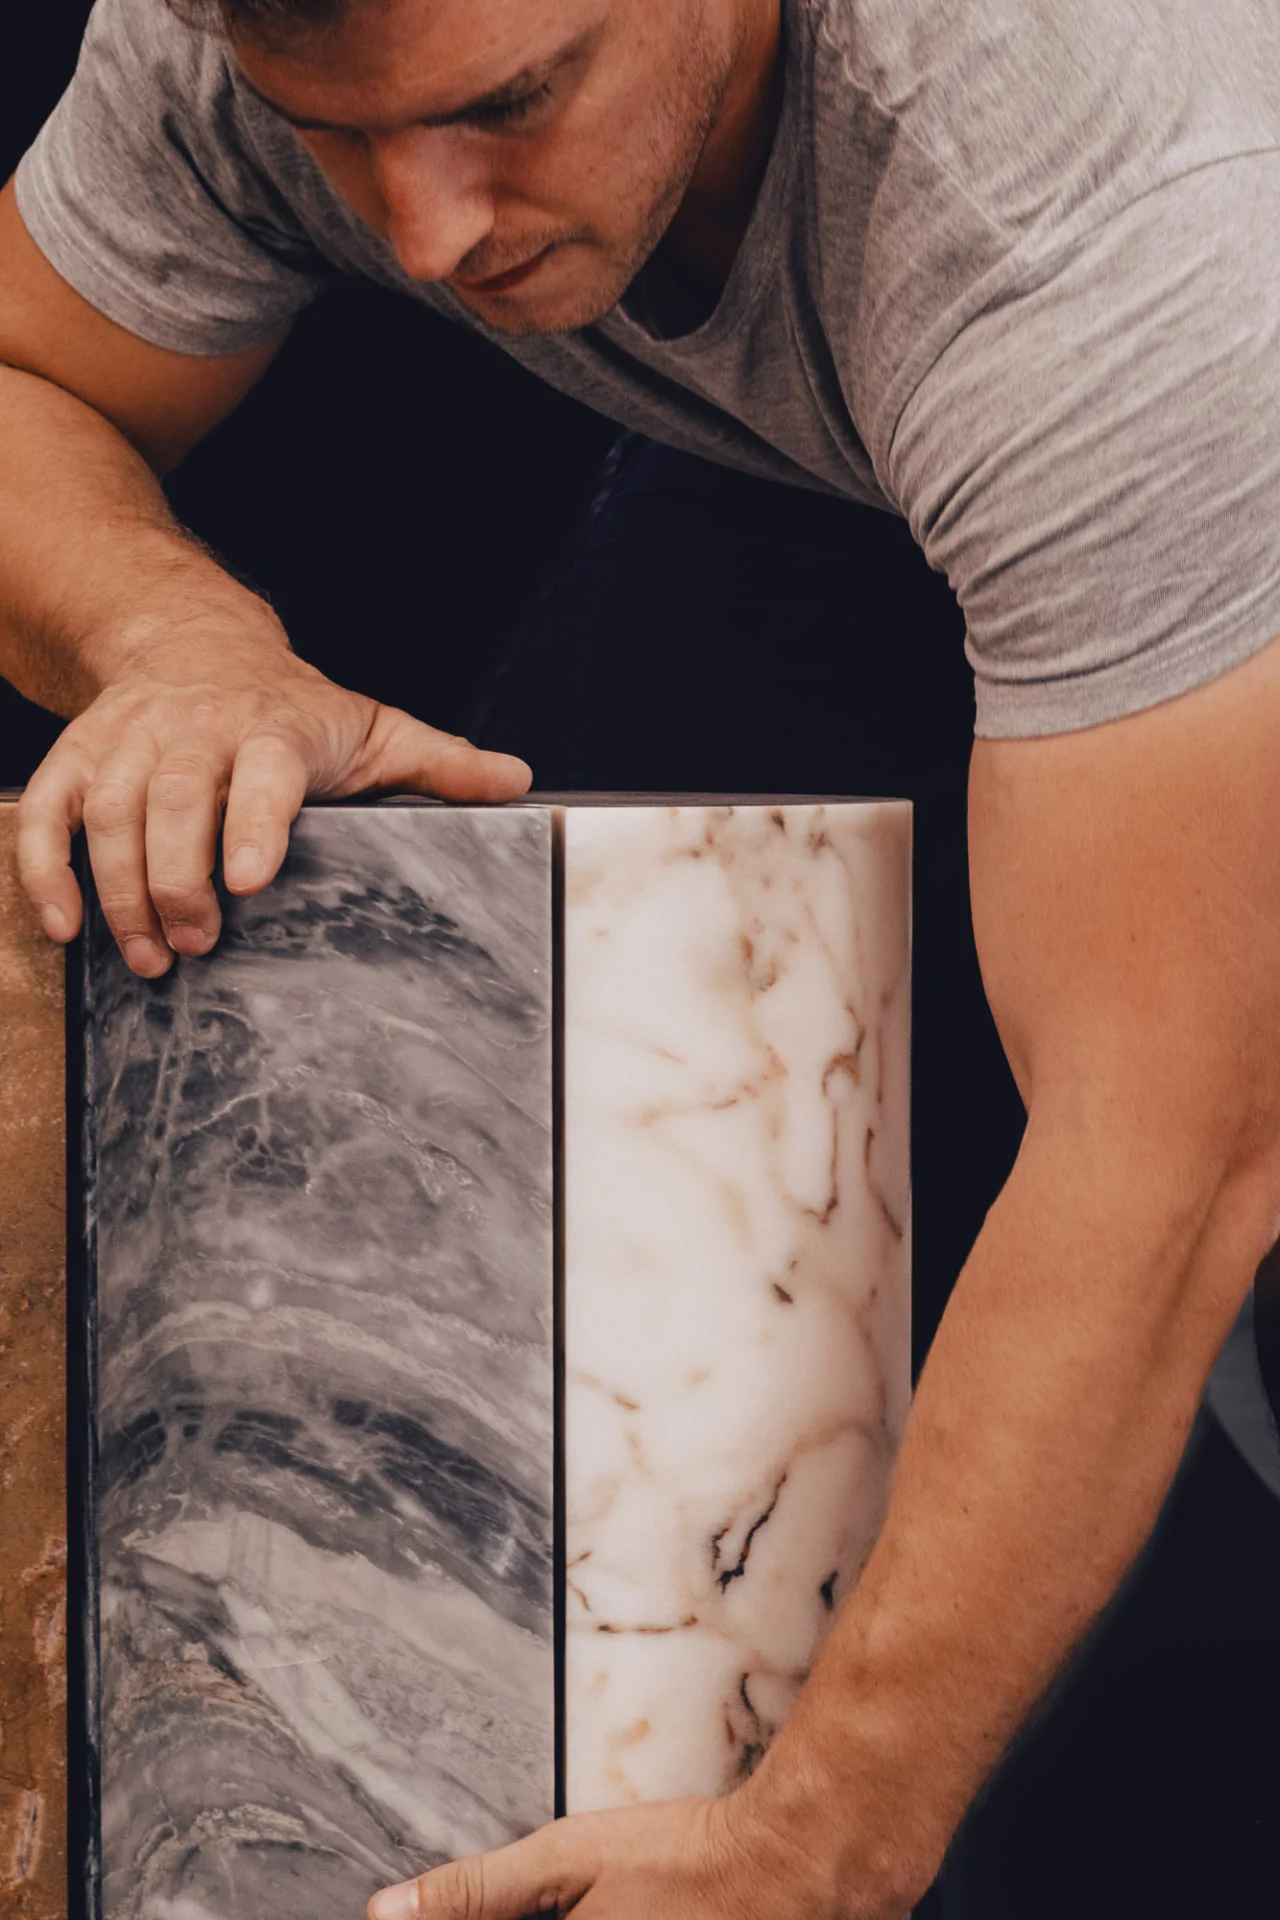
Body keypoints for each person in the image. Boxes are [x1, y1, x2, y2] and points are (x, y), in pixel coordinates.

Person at [3, 1, 1280, 1915]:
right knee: (553, 1060)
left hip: (1161, 394)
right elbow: (25, 381)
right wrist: (175, 640)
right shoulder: (228, 40)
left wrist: (819, 1844)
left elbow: (1165, 1156)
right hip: (840, 472)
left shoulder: (1094, 206)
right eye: (340, 141)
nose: (428, 233)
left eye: (512, 103)